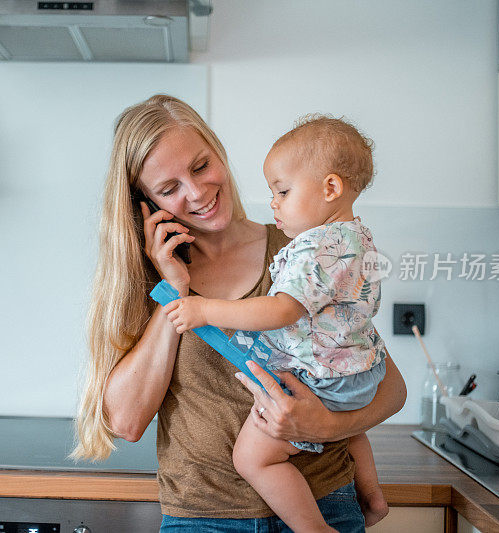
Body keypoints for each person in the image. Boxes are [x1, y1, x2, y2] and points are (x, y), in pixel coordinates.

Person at [72, 94, 406, 533]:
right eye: (169, 189)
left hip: (323, 503)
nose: (196, 193)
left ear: (218, 152)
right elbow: (125, 421)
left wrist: (327, 425)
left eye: (200, 166)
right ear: (146, 204)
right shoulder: (147, 282)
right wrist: (174, 290)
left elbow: (388, 387)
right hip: (203, 517)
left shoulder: (300, 249)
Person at [161, 115, 389, 532]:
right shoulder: (354, 237)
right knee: (349, 424)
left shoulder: (314, 247)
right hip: (353, 374)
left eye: (282, 191)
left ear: (330, 188)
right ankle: (372, 493)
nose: (274, 202)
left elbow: (282, 309)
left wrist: (205, 309)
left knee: (252, 458)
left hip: (324, 380)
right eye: (168, 188)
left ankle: (313, 528)